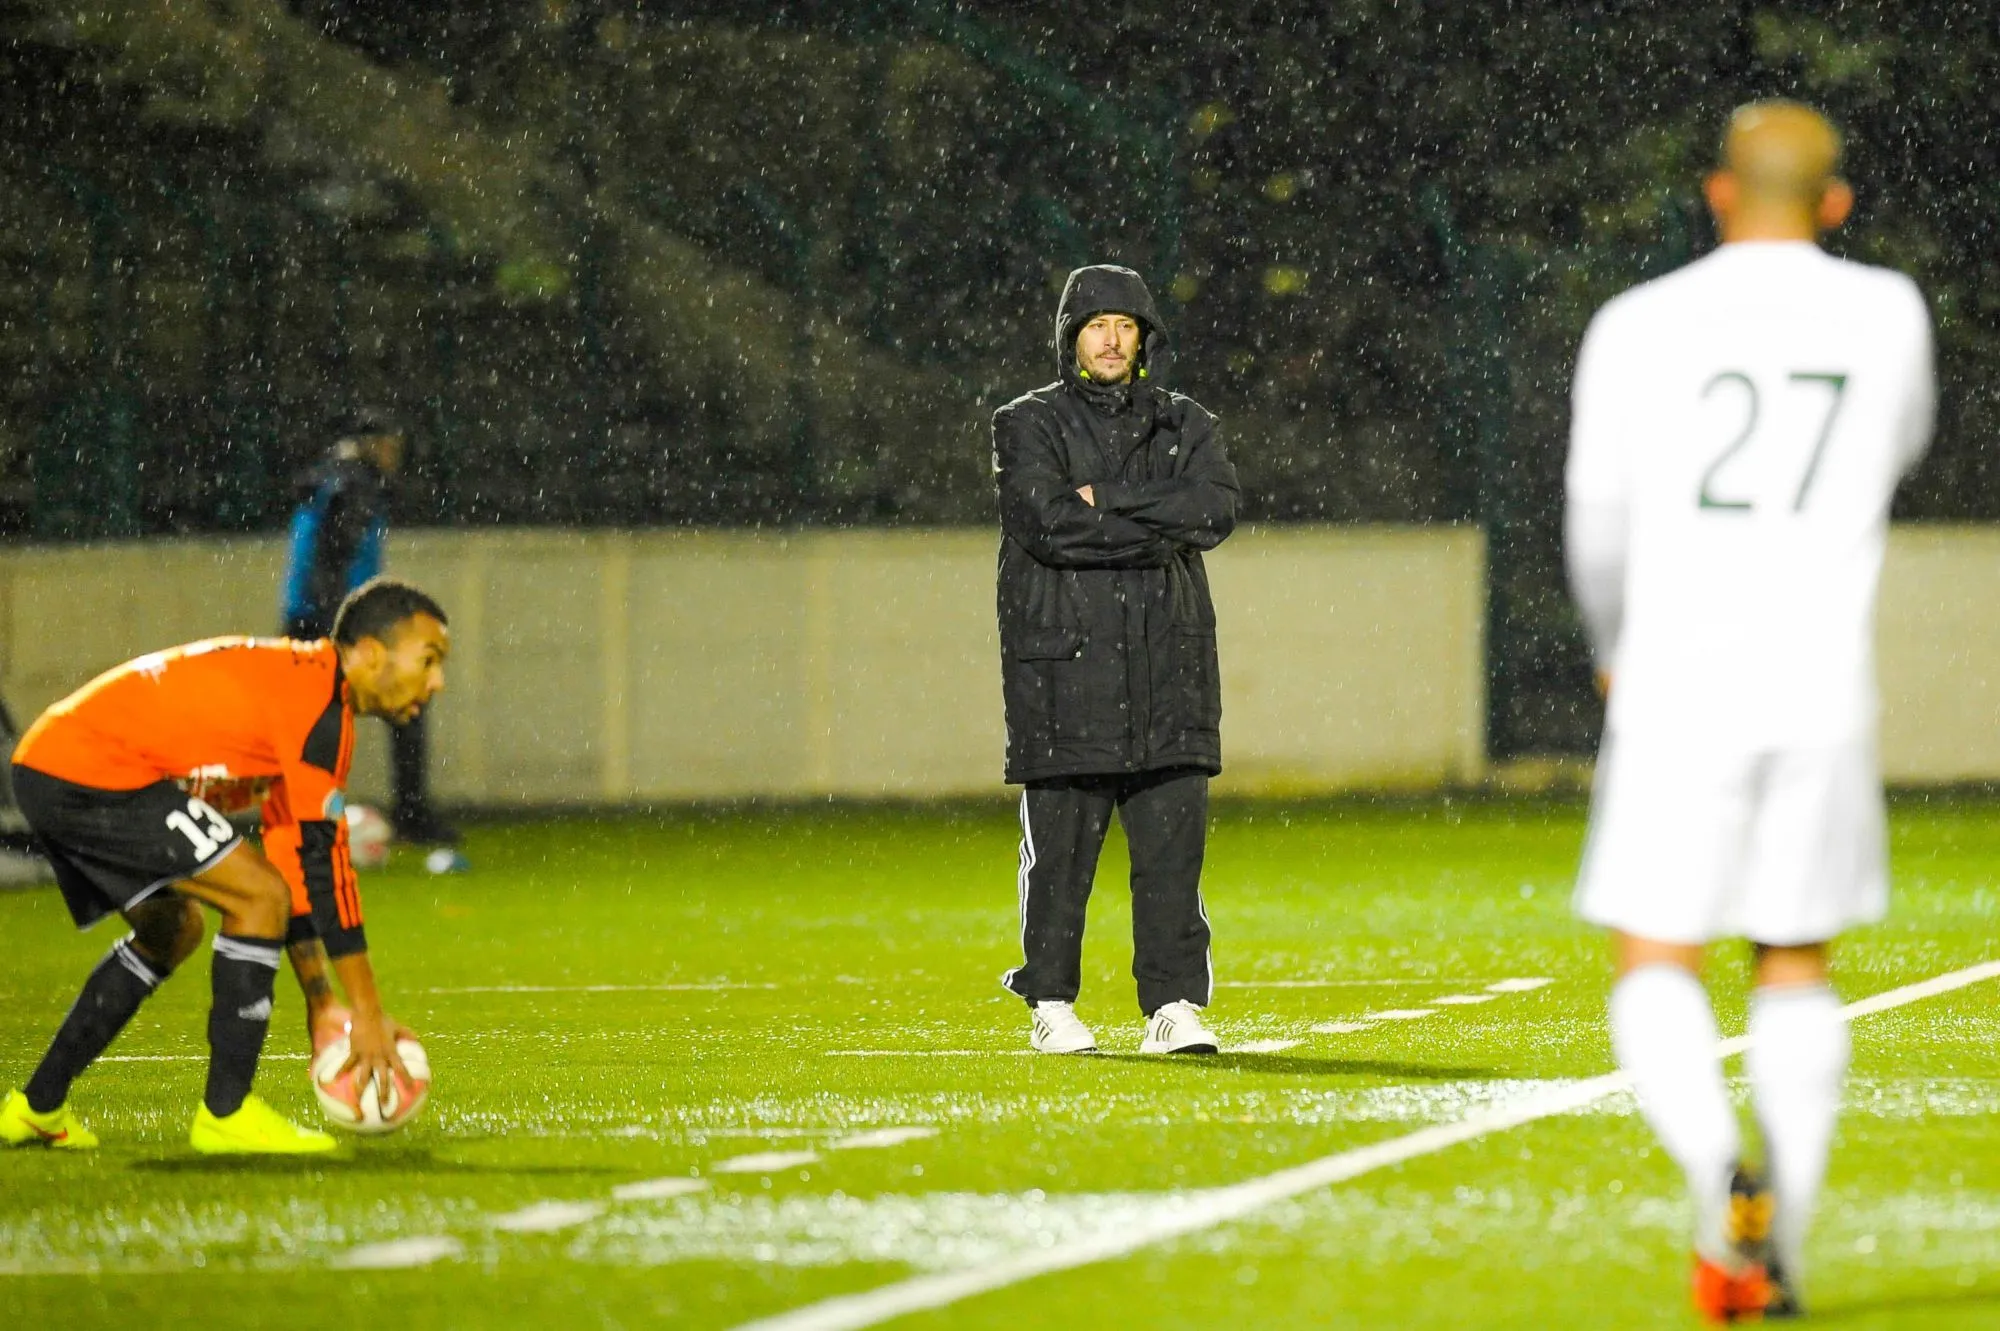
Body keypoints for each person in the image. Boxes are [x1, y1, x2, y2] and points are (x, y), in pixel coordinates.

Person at [1566, 101, 1933, 1321]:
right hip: (1816, 677)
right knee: (1793, 958)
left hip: (1680, 669)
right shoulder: (1884, 312)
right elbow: (1894, 448)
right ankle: (1776, 1256)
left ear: (1717, 193)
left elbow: (1597, 522)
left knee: (1655, 950)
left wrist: (1615, 648)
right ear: (1834, 203)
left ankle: (1715, 1175)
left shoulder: (1640, 322)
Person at [0, 577, 450, 1154]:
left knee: (174, 930)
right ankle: (226, 1115)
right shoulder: (315, 708)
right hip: (88, 768)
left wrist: (323, 1005)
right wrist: (366, 1014)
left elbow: (297, 866)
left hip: (57, 764)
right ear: (369, 653)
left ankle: (36, 1109)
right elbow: (323, 870)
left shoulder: (310, 697)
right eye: (429, 659)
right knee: (255, 897)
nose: (436, 681)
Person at [991, 263, 1240, 1055]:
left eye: (1125, 325)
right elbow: (1048, 525)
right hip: (1064, 673)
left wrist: (1107, 496)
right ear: (1071, 337)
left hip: (1171, 671)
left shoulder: (1187, 421)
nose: (1110, 338)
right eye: (1095, 324)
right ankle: (1051, 1002)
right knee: (1059, 861)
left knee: (1173, 862)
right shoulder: (1025, 423)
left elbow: (1215, 509)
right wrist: (1155, 517)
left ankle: (1171, 1006)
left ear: (1144, 340)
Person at [283, 406, 460, 854]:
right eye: (387, 443)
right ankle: (411, 814)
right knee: (407, 700)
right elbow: (332, 563)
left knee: (314, 723)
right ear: (369, 444)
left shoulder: (326, 480)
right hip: (335, 621)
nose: (393, 454)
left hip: (307, 618)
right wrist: (343, 633)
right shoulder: (354, 487)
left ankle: (304, 817)